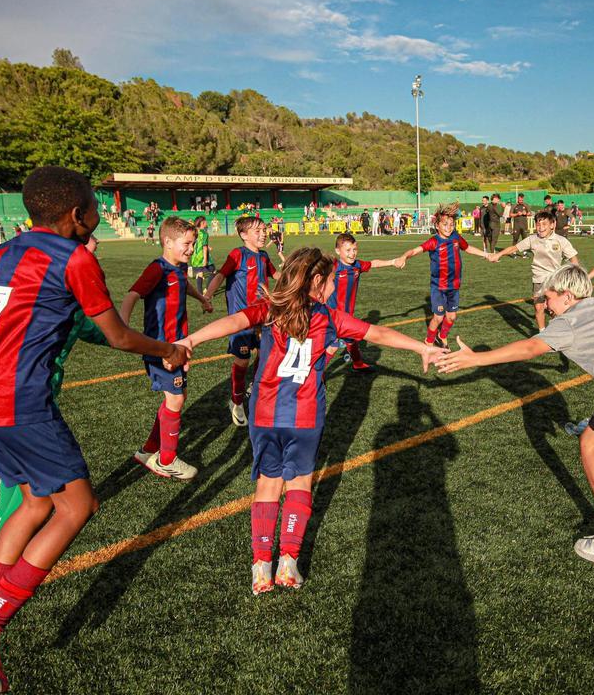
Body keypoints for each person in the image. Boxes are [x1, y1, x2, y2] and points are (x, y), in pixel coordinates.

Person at [0, 166, 188, 693]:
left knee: (33, 504)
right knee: (77, 507)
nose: (97, 215)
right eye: (93, 206)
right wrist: (169, 350)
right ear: (76, 213)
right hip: (22, 406)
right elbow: (116, 336)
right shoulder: (74, 257)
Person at [177, 248, 443, 592]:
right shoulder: (329, 317)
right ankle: (288, 563)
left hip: (265, 415)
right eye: (331, 280)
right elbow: (375, 333)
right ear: (317, 281)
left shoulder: (271, 309)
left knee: (268, 484)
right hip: (304, 416)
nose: (333, 286)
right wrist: (422, 347)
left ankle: (261, 567)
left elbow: (235, 321)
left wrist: (192, 339)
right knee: (300, 482)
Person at [436, 264, 594, 572]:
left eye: (548, 298)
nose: (545, 305)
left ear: (567, 296)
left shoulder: (569, 321)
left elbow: (531, 347)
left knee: (592, 445)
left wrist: (475, 358)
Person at [0, 237, 109, 554]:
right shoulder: (64, 294)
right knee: (44, 485)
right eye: (88, 250)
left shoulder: (43, 286)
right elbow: (105, 332)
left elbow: (91, 332)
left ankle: (0, 523)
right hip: (32, 392)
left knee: (15, 469)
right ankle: (4, 528)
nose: (92, 257)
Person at [122, 216, 208, 480]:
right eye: (187, 244)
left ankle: (149, 450)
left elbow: (184, 284)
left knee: (176, 397)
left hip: (177, 347)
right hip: (160, 348)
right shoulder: (157, 269)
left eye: (193, 244)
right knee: (176, 399)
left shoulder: (179, 268)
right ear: (168, 242)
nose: (191, 249)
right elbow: (132, 295)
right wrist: (122, 325)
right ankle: (167, 460)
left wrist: (202, 298)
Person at [202, 215, 281, 427]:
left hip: (263, 318)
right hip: (242, 319)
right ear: (244, 235)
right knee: (242, 360)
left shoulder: (264, 256)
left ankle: (254, 386)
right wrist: (207, 296)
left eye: (264, 230)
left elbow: (276, 276)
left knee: (265, 355)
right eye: (258, 231)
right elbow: (220, 275)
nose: (263, 234)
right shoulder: (238, 254)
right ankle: (236, 402)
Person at [397, 204, 491, 348]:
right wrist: (404, 256)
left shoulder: (455, 237)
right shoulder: (433, 241)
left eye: (451, 224)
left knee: (451, 317)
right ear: (437, 225)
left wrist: (486, 254)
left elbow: (467, 248)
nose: (449, 228)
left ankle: (442, 336)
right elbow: (415, 250)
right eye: (445, 224)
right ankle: (429, 341)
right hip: (439, 287)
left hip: (454, 285)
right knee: (438, 318)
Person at [326, 232, 406, 372]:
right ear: (338, 251)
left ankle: (357, 364)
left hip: (347, 315)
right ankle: (316, 374)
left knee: (351, 339)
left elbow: (373, 263)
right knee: (333, 346)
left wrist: (393, 262)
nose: (352, 253)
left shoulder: (357, 265)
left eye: (354, 249)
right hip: (334, 315)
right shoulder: (334, 266)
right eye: (348, 250)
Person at [490, 210, 580, 331]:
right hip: (538, 280)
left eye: (544, 224)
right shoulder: (532, 239)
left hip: (555, 281)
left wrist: (576, 276)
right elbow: (514, 248)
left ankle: (558, 331)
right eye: (538, 224)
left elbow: (573, 258)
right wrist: (498, 254)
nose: (541, 227)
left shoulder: (561, 240)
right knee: (538, 308)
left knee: (556, 309)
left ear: (552, 225)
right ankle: (542, 332)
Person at [188, 215, 214, 294]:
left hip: (195, 257)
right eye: (205, 221)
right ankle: (207, 289)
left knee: (200, 274)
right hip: (202, 256)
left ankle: (200, 294)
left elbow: (196, 242)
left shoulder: (194, 232)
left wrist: (208, 246)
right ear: (202, 223)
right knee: (213, 271)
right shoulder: (204, 233)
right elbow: (204, 247)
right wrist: (205, 259)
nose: (207, 222)